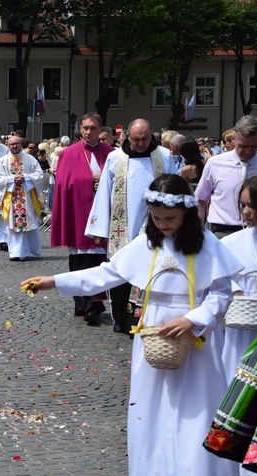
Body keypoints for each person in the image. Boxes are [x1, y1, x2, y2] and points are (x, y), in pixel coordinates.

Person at [21, 174, 244, 476]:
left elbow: (221, 296)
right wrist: (55, 280)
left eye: (170, 218)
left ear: (186, 213)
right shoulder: (146, 243)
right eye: (156, 218)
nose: (164, 224)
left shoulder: (208, 245)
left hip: (198, 343)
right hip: (152, 335)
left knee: (197, 414)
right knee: (151, 414)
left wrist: (193, 320)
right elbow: (107, 274)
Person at [86, 118, 175, 333]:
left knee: (152, 273)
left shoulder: (163, 156)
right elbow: (104, 192)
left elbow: (173, 189)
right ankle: (121, 319)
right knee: (122, 271)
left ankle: (147, 320)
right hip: (123, 228)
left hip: (156, 224)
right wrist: (99, 229)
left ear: (151, 135)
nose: (141, 143)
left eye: (145, 139)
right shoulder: (115, 158)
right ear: (127, 136)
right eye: (136, 139)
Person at [210, 174, 257, 476]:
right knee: (239, 394)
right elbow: (216, 281)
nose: (245, 212)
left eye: (253, 206)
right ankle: (234, 466)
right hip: (239, 335)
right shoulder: (229, 244)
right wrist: (236, 292)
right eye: (242, 205)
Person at [50, 113, 114, 326]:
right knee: (80, 261)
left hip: (103, 216)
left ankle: (92, 304)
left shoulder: (112, 154)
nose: (88, 132)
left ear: (100, 129)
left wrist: (103, 182)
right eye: (85, 128)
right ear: (80, 129)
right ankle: (84, 305)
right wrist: (90, 181)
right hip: (79, 215)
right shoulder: (69, 154)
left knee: (98, 263)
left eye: (93, 128)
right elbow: (64, 185)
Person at [196, 115, 257, 238]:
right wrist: (198, 232)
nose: (249, 152)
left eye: (254, 146)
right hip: (223, 233)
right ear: (233, 139)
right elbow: (200, 199)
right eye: (243, 146)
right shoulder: (215, 164)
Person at [0, 135, 43, 261]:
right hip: (11, 197)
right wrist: (12, 179)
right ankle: (15, 252)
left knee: (30, 223)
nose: (14, 146)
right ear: (8, 145)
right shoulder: (3, 161)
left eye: (16, 143)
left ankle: (30, 250)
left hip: (28, 197)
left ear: (21, 144)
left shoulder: (30, 159)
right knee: (13, 225)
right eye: (11, 144)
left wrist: (25, 178)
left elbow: (39, 175)